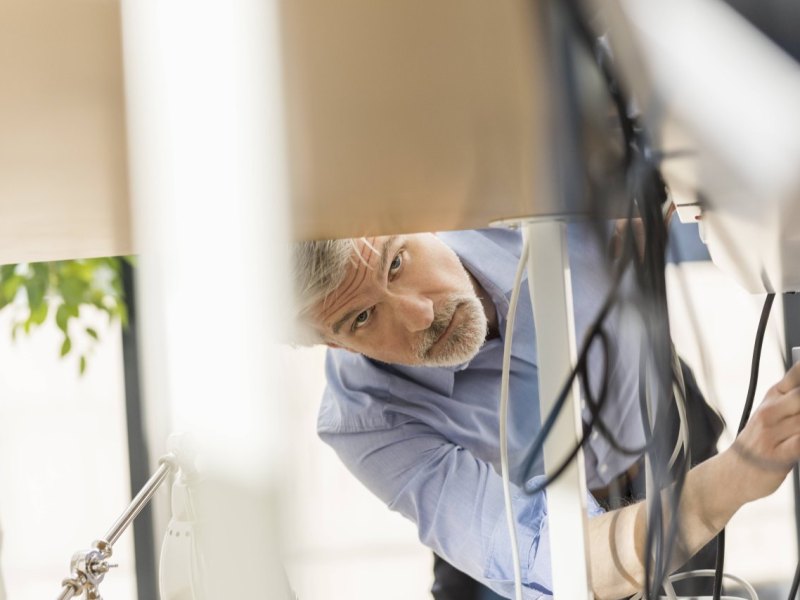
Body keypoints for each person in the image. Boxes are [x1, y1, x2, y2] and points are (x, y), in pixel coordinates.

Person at [292, 226, 787, 599]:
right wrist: (739, 474)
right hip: (511, 517)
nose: (418, 315)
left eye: (396, 263)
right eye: (361, 318)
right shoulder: (365, 421)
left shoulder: (520, 189)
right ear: (334, 343)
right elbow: (559, 561)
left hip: (661, 432)